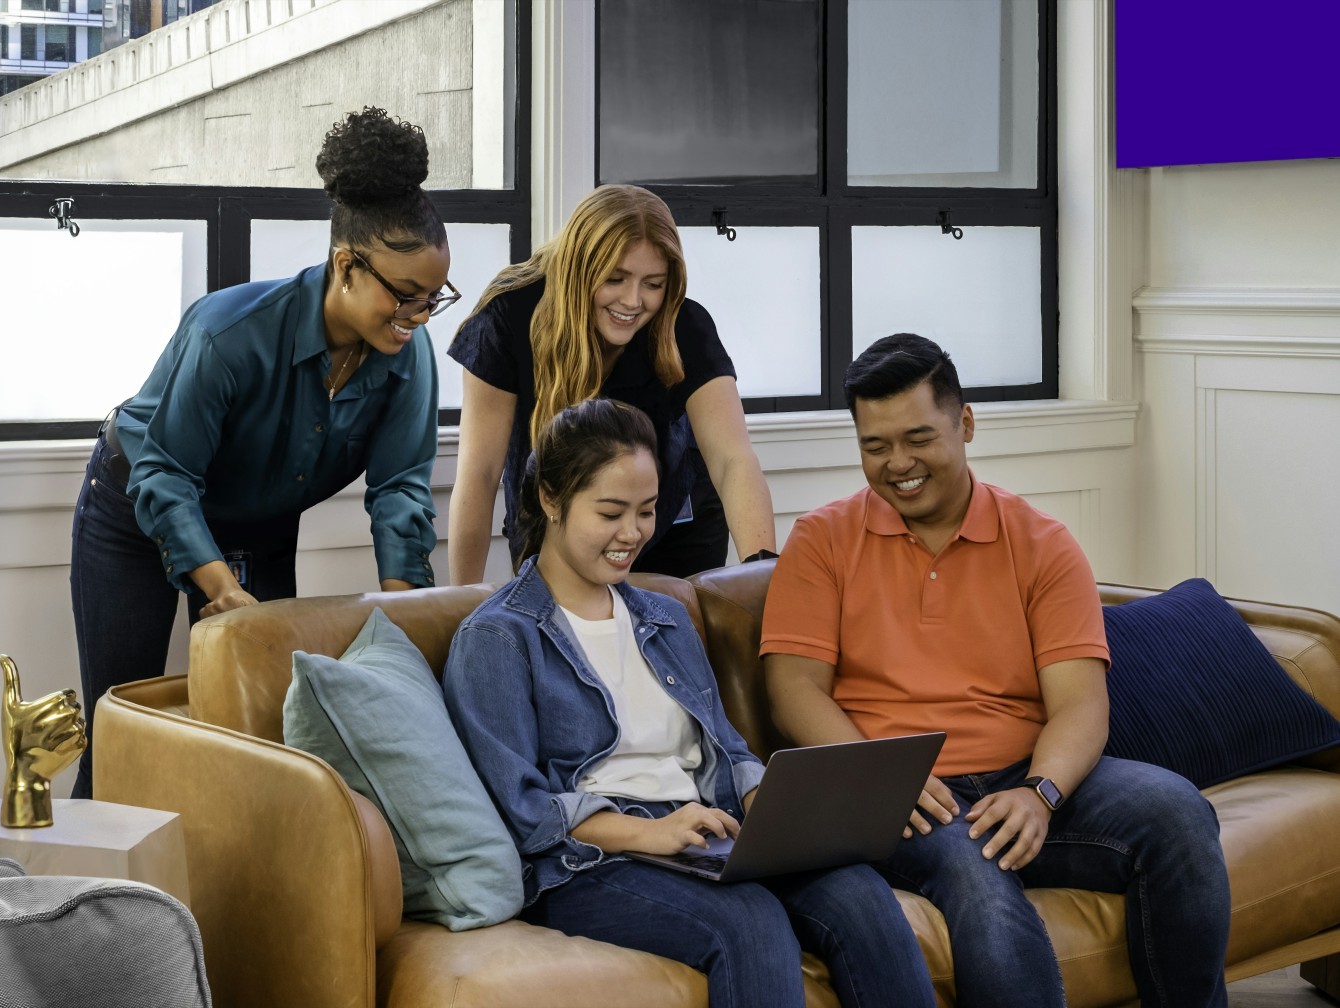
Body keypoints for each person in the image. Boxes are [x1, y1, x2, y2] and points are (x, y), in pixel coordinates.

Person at [761, 334, 1231, 1007]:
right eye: (875, 446)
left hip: (1023, 774)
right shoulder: (821, 540)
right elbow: (792, 689)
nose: (898, 464)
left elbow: (1079, 704)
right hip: (902, 792)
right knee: (976, 873)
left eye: (918, 437)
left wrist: (1040, 794)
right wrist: (879, 775)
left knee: (1179, 813)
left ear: (967, 423)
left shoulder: (1041, 542)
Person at [442, 398, 934, 1008]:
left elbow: (726, 749)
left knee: (861, 896)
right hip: (593, 863)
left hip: (702, 834)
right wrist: (651, 834)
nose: (633, 534)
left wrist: (780, 811)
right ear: (550, 498)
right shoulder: (499, 637)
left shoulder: (664, 618)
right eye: (611, 512)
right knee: (748, 921)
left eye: (647, 512)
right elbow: (521, 808)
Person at [69, 107, 455, 798]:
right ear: (346, 265)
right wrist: (219, 588)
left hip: (259, 529)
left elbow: (400, 491)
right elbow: (165, 473)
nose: (418, 316)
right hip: (136, 511)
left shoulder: (407, 355)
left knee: (261, 742)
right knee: (122, 732)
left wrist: (406, 619)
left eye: (433, 298)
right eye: (404, 295)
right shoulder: (229, 332)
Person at [447, 184, 775, 584]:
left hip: (673, 533)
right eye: (615, 279)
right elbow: (479, 474)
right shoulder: (508, 318)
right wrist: (462, 602)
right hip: (556, 528)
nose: (633, 301)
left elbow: (733, 460)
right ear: (578, 269)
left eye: (652, 284)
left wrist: (761, 579)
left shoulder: (684, 325)